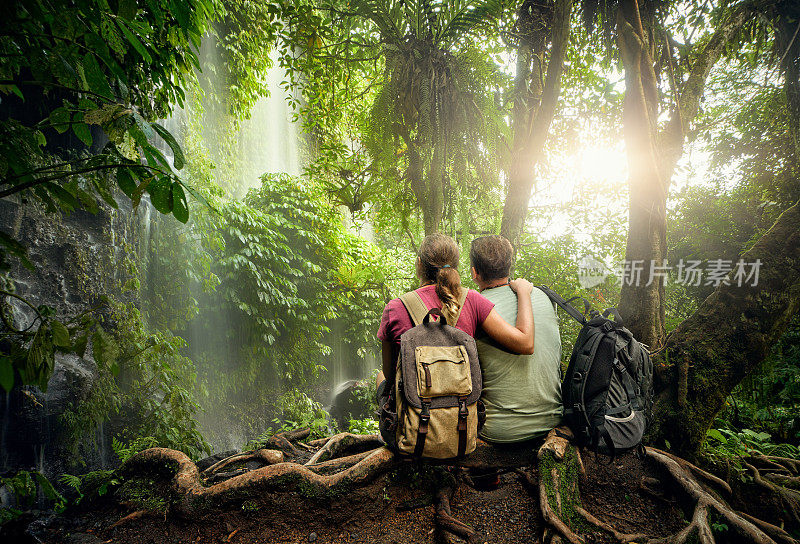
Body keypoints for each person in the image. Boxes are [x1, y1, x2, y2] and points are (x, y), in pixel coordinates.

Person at [375, 233, 536, 403]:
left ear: (419, 264)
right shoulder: (472, 300)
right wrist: (523, 293)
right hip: (460, 416)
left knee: (380, 377)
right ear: (455, 267)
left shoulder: (395, 307)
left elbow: (391, 374)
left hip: (414, 419)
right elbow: (525, 343)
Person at [469, 235, 563, 444]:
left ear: (474, 272)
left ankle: (486, 477)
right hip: (552, 420)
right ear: (509, 266)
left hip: (500, 431)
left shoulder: (474, 306)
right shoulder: (542, 296)